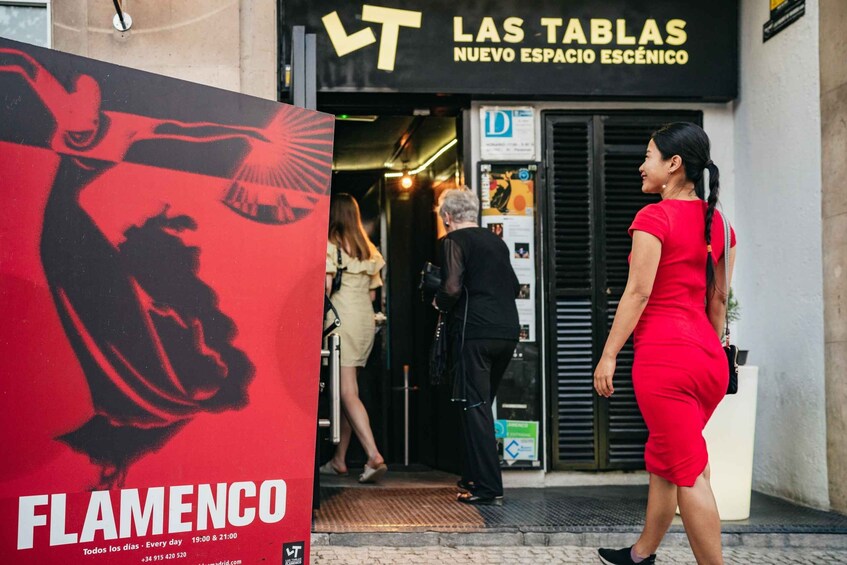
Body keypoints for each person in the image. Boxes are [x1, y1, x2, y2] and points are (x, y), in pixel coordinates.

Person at [594, 123, 736, 565]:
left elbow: (637, 293)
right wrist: (706, 355)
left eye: (649, 156)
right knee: (668, 457)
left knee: (690, 472)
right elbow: (718, 303)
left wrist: (609, 354)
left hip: (664, 360)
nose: (641, 165)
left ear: (673, 165)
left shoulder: (653, 218)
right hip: (706, 359)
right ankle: (641, 555)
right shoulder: (721, 225)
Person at [434, 187, 520, 506]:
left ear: (447, 216)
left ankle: (487, 485)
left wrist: (437, 300)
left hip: (476, 333)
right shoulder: (495, 242)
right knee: (480, 405)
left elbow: (452, 287)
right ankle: (472, 475)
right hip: (507, 331)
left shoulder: (454, 241)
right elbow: (512, 284)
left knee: (475, 406)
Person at [321, 193, 388, 484]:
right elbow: (373, 294)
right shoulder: (368, 250)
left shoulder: (332, 246)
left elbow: (324, 290)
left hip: (342, 320)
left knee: (346, 392)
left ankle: (373, 455)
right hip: (365, 322)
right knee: (350, 391)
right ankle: (339, 460)